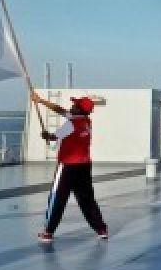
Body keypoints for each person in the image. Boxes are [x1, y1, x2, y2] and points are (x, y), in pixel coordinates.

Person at [30, 91, 108, 243]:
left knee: (57, 198)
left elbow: (54, 137)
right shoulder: (86, 121)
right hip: (84, 165)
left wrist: (46, 136)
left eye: (75, 105)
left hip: (67, 166)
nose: (72, 106)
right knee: (87, 199)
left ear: (79, 109)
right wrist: (40, 101)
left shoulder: (71, 124)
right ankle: (101, 229)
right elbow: (60, 110)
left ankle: (48, 232)